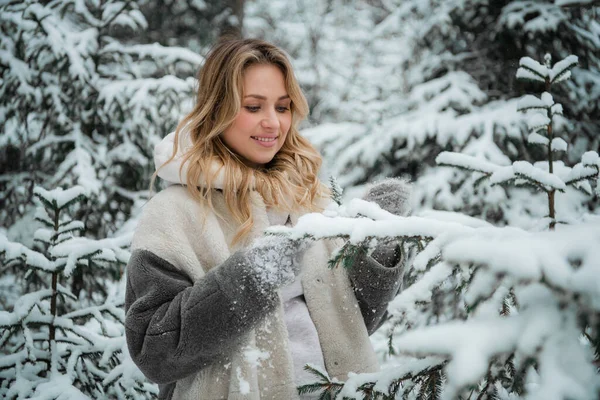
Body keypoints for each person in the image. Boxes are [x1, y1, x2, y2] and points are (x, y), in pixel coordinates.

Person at [124, 38, 411, 400]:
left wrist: (376, 257)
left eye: (283, 106)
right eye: (253, 106)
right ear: (217, 110)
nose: (273, 122)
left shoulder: (309, 200)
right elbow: (154, 352)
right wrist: (250, 280)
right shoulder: (174, 212)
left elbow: (353, 327)